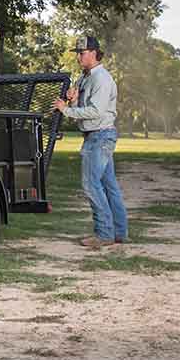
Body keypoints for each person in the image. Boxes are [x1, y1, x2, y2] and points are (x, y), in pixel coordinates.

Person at [52, 36, 126, 249]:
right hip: (95, 135)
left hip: (100, 136)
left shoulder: (101, 78)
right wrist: (73, 100)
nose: (78, 56)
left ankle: (104, 234)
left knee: (91, 184)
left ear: (94, 53)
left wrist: (66, 109)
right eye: (77, 52)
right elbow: (85, 106)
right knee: (108, 186)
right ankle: (119, 232)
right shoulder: (86, 78)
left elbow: (95, 111)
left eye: (82, 53)